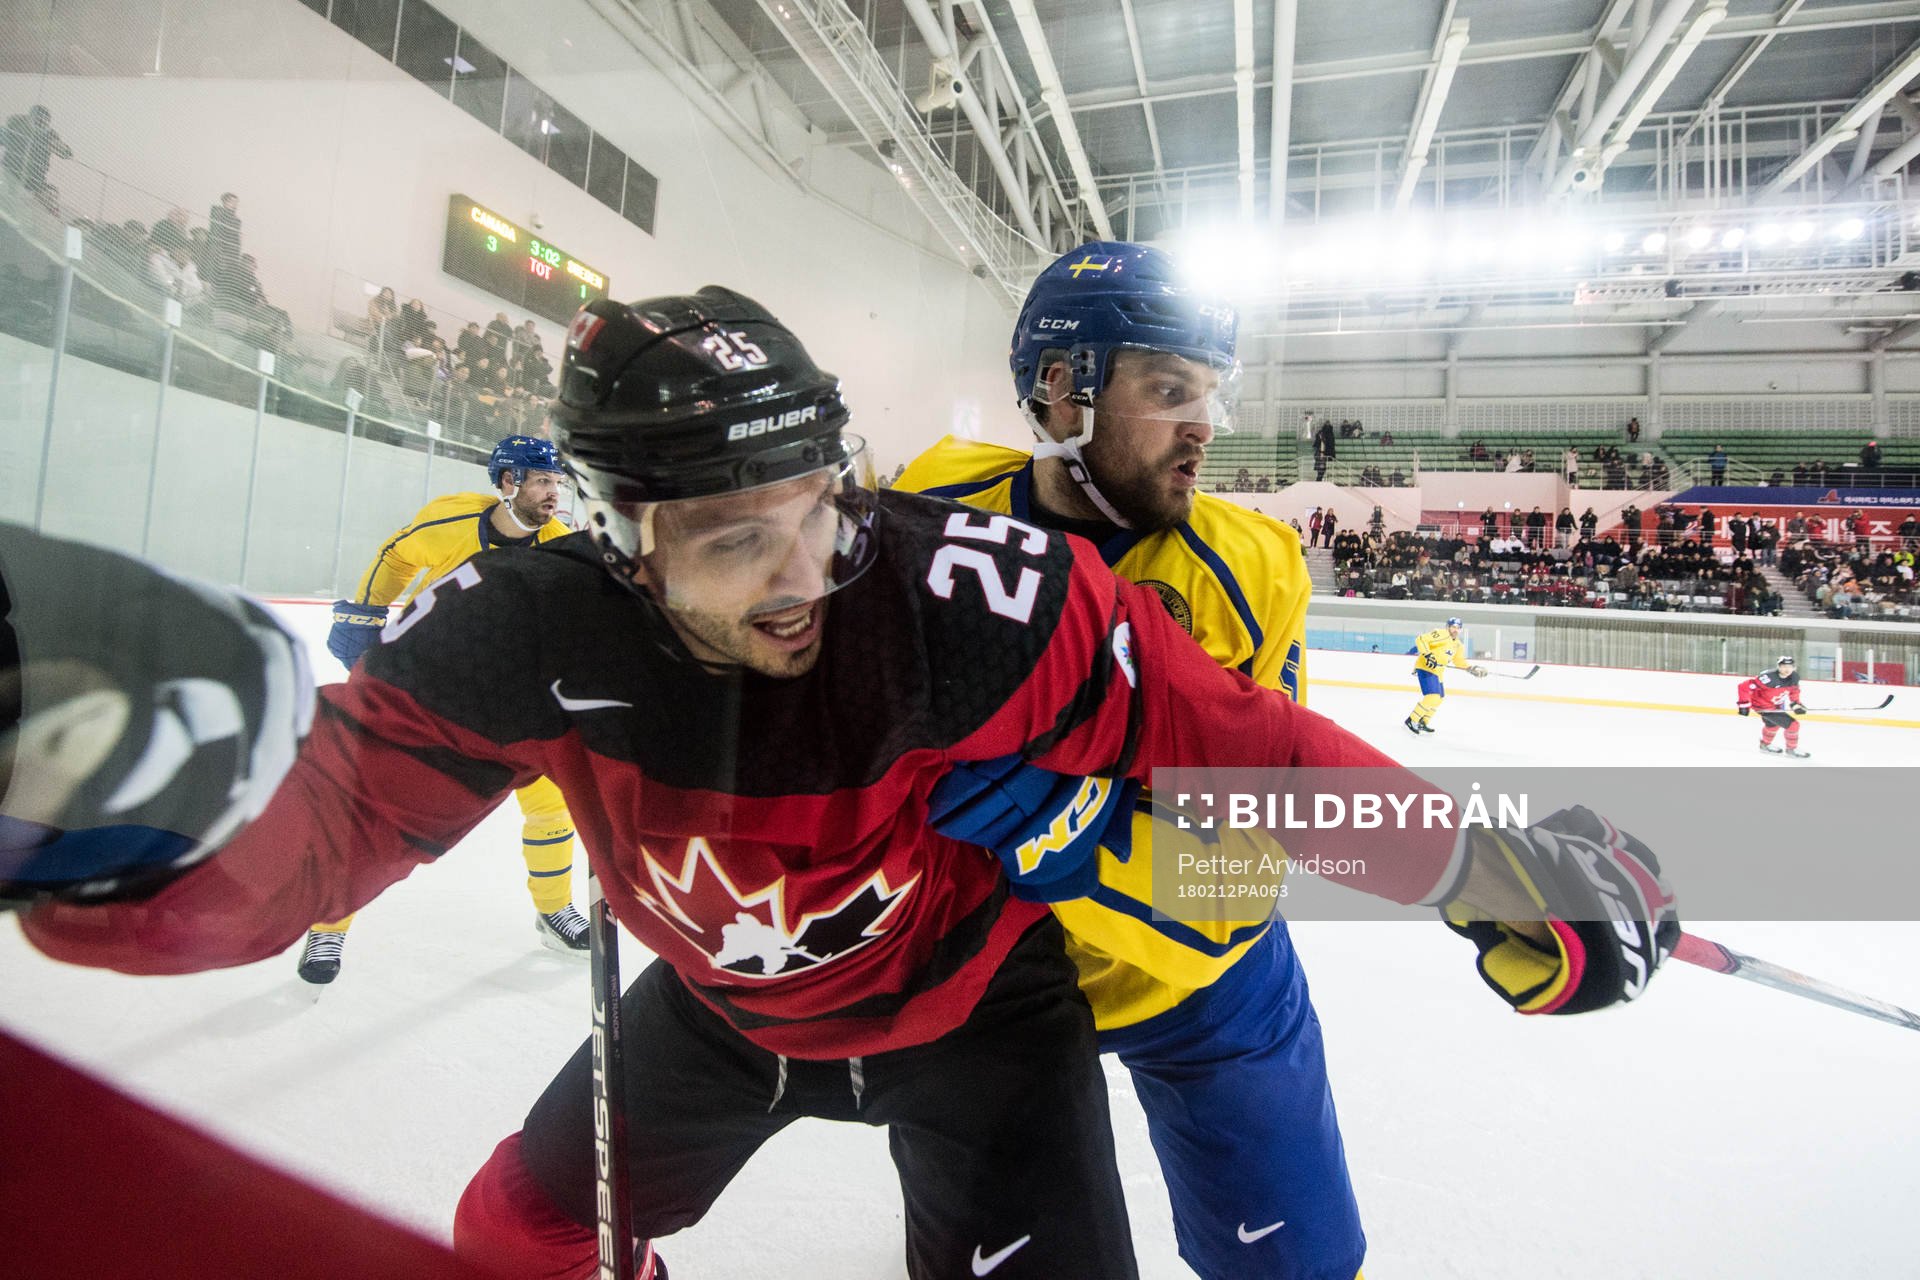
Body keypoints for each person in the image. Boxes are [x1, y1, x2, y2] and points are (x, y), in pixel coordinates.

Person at [11, 290, 1680, 1280]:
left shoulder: (970, 597)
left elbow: (1234, 744)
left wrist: (1479, 867)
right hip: (723, 1017)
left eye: (819, 503)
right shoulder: (523, 622)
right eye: (734, 539)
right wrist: (130, 846)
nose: (803, 571)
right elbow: (342, 824)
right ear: (616, 536)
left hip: (984, 1022)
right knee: (516, 1242)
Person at [895, 240, 1352, 1277]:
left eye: (1212, 394)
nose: (1205, 426)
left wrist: (1072, 830)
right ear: (1062, 390)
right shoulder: (936, 503)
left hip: (1207, 990)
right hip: (989, 982)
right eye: (1169, 387)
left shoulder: (1251, 569)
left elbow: (1241, 868)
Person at [301, 435, 589, 983]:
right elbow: (396, 554)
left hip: (508, 694)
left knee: (552, 804)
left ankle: (554, 910)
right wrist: (364, 612)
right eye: (544, 480)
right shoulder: (449, 523)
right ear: (508, 482)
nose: (556, 493)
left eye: (559, 482)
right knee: (379, 810)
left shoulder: (559, 544)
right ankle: (327, 928)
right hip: (428, 684)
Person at [1404, 616, 1486, 734]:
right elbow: (1421, 639)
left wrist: (1469, 668)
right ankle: (1412, 720)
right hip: (1426, 667)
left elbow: (1458, 661)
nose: (1455, 630)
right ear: (1447, 627)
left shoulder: (1458, 645)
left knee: (1439, 698)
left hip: (1438, 671)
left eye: (1458, 628)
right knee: (1433, 696)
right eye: (1453, 627)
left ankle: (1423, 722)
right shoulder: (1441, 634)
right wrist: (1428, 655)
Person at [1737, 655, 1809, 758]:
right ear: (1778, 667)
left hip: (1775, 705)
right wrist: (1744, 705)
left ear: (1794, 667)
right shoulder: (1768, 678)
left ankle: (1765, 744)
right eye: (1783, 666)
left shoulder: (1794, 677)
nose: (1787, 669)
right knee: (1793, 725)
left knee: (1773, 725)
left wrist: (1796, 704)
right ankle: (1791, 749)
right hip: (1763, 707)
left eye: (1790, 666)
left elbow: (1794, 691)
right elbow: (1744, 686)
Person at [1, 104, 71, 194]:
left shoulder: (49, 136)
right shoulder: (17, 126)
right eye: (38, 119)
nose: (40, 122)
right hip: (10, 172)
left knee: (48, 194)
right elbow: (3, 135)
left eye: (44, 120)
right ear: (30, 118)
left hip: (34, 179)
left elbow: (65, 153)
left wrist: (62, 148)